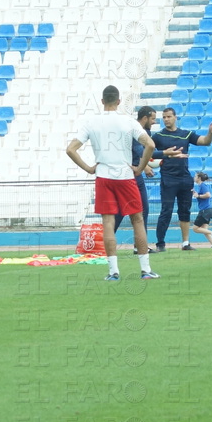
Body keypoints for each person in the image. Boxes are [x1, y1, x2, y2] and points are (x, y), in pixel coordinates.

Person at [65, 85, 159, 280]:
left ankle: (113, 272)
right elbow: (150, 144)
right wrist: (140, 168)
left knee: (108, 222)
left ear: (102, 101)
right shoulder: (127, 121)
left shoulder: (91, 122)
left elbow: (71, 149)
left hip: (104, 177)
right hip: (125, 175)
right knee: (138, 220)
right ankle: (145, 269)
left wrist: (89, 168)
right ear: (118, 101)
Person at [151, 107, 212, 252]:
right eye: (164, 117)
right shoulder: (158, 136)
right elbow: (148, 151)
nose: (166, 119)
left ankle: (185, 243)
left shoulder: (185, 134)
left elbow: (204, 141)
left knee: (184, 211)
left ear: (175, 117)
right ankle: (160, 244)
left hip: (184, 179)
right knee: (166, 211)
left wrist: (210, 133)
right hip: (168, 179)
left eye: (169, 116)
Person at [114, 106, 159, 247]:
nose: (154, 122)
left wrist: (144, 166)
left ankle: (140, 246)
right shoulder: (135, 131)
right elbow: (141, 151)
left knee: (141, 209)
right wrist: (165, 154)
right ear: (145, 118)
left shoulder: (144, 132)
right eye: (152, 119)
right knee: (122, 210)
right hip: (129, 175)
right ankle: (104, 243)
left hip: (135, 174)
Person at [191, 171, 212, 247]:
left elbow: (208, 195)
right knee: (204, 229)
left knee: (195, 228)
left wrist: (198, 196)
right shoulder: (202, 186)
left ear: (199, 178)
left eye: (195, 176)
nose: (194, 177)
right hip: (209, 210)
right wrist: (195, 193)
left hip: (205, 210)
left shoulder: (203, 185)